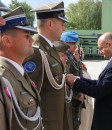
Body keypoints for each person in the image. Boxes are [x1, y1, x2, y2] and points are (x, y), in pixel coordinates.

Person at [66, 32, 112, 130]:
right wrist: (77, 79)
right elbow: (100, 83)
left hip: (111, 122)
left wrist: (75, 82)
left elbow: (99, 90)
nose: (100, 52)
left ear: (110, 44)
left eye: (101, 48)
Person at [23, 2, 69, 130]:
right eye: (62, 24)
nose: (64, 28)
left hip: (56, 121)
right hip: (45, 124)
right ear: (50, 24)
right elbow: (29, 98)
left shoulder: (50, 48)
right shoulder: (35, 52)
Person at [0, 6, 43, 130]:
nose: (31, 40)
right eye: (26, 36)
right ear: (7, 41)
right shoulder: (3, 77)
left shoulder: (18, 72)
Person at [61, 31, 84, 130]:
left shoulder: (72, 57)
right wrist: (77, 95)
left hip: (75, 102)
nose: (76, 46)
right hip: (71, 101)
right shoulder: (65, 58)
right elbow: (65, 80)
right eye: (73, 44)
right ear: (65, 44)